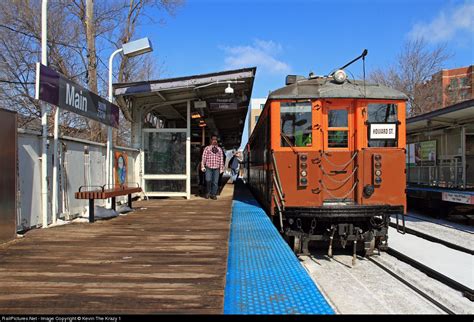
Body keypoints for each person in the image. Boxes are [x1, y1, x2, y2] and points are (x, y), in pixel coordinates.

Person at [201, 135, 224, 200]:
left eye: (215, 139)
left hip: (217, 168)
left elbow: (221, 159)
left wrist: (221, 168)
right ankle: (208, 192)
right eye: (213, 139)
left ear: (217, 141)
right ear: (211, 140)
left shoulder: (219, 149)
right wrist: (202, 166)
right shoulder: (207, 148)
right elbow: (204, 157)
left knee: (215, 182)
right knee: (208, 180)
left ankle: (213, 194)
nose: (214, 140)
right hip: (208, 167)